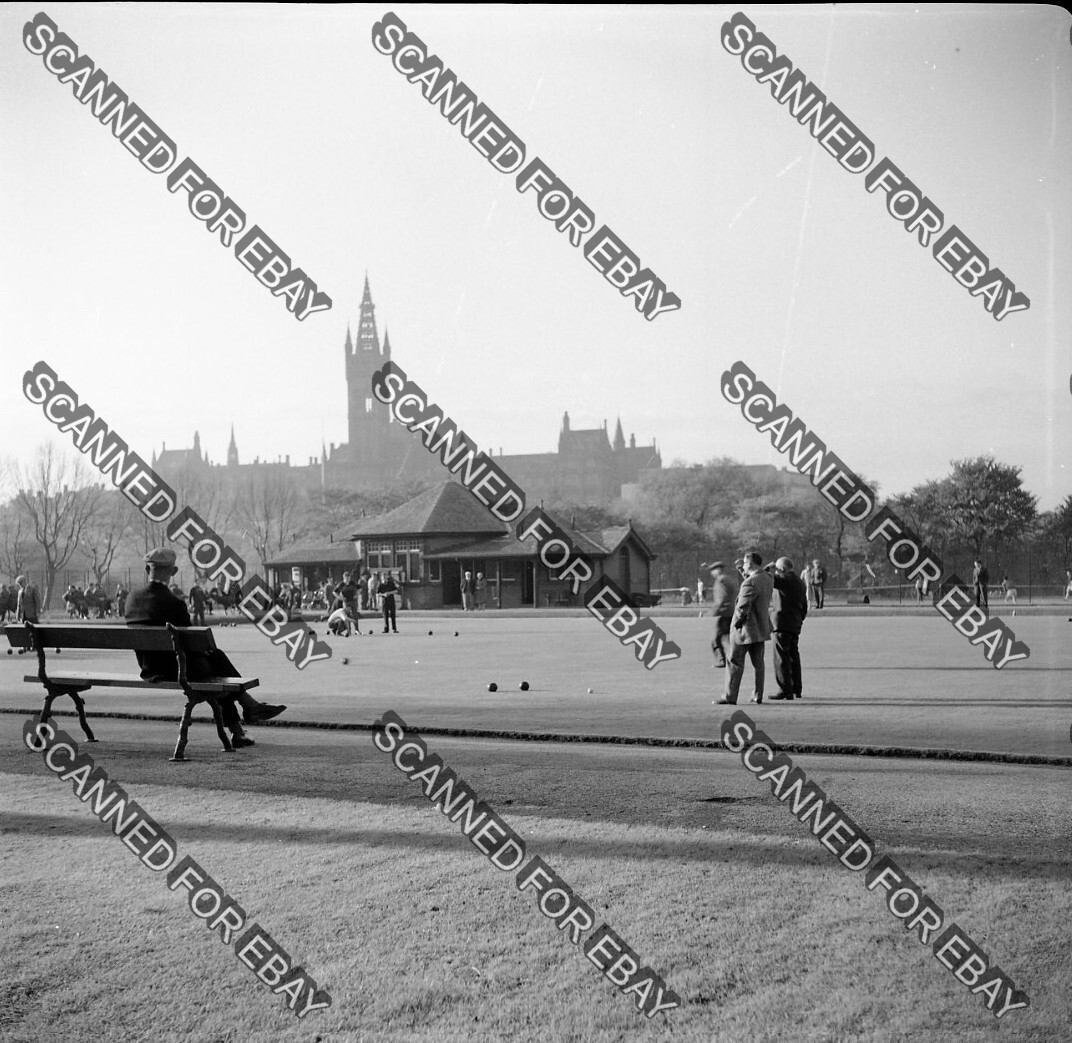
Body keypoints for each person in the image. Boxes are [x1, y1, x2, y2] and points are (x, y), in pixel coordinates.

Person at [124, 549, 285, 746]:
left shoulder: (131, 599)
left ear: (147, 568)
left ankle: (242, 722)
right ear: (173, 571)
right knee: (216, 663)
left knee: (216, 663)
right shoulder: (174, 603)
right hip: (178, 670)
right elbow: (193, 644)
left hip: (149, 669)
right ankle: (246, 708)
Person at [716, 551, 773, 706]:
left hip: (746, 629)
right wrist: (743, 571)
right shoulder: (768, 578)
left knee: (734, 661)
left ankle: (730, 696)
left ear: (752, 563)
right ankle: (757, 694)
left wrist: (737, 624)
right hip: (762, 626)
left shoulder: (750, 582)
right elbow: (755, 584)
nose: (744, 565)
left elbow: (743, 606)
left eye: (746, 563)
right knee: (758, 663)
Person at [766, 557, 807, 701]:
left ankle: (785, 689)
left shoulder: (784, 580)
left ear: (782, 569)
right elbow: (804, 606)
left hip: (782, 623)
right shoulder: (800, 582)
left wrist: (768, 568)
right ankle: (797, 688)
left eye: (778, 569)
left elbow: (766, 578)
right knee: (793, 656)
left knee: (781, 658)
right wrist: (799, 620)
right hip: (794, 624)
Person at [705, 561, 739, 668]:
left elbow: (722, 599)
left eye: (713, 570)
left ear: (718, 570)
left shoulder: (721, 580)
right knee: (729, 638)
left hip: (725, 613)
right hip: (731, 612)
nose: (712, 573)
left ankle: (723, 660)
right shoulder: (728, 579)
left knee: (716, 639)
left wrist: (712, 612)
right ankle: (735, 659)